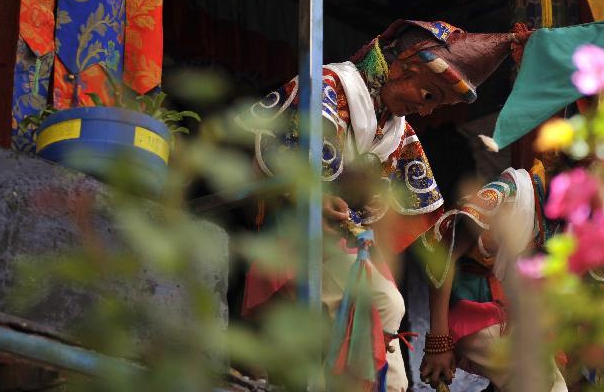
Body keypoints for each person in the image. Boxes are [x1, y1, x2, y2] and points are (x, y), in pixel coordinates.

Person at [237, 20, 529, 392]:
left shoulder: (398, 132)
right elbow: (273, 155)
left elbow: (433, 229)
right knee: (381, 303)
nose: (426, 112)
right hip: (294, 234)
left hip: (343, 245)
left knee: (389, 335)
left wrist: (438, 336)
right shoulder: (328, 88)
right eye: (430, 95)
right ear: (404, 67)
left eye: (437, 104)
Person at [418, 158, 567, 392]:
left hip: (508, 312)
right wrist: (438, 341)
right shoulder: (506, 193)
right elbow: (443, 255)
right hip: (467, 313)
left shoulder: (562, 214)